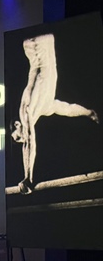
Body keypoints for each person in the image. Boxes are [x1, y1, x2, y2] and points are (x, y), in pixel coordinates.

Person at [11, 33, 99, 194]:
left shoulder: (26, 110)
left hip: (36, 45)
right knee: (64, 109)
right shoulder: (45, 107)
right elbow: (69, 109)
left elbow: (29, 144)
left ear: (17, 124)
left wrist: (28, 177)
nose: (20, 138)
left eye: (17, 136)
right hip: (39, 45)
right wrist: (89, 113)